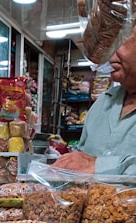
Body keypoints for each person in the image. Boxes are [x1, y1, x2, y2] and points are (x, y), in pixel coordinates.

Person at [52, 24, 136, 175]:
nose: (110, 57)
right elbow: (81, 161)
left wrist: (97, 166)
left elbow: (91, 166)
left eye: (118, 44)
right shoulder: (103, 102)